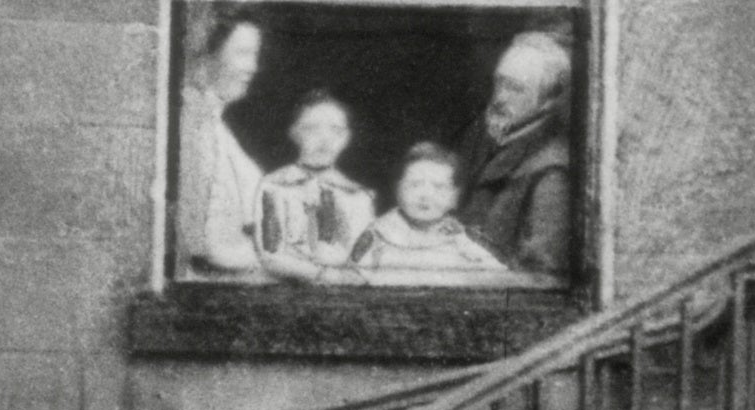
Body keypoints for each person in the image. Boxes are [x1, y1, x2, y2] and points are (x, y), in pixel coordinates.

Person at [450, 31, 573, 276]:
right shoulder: (478, 134)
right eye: (500, 82)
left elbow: (539, 277)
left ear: (547, 101)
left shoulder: (552, 172)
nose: (500, 98)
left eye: (516, 88)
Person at [174, 12, 266, 277]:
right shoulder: (194, 125)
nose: (252, 67)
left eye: (255, 55)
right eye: (243, 53)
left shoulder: (218, 128)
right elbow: (204, 244)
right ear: (208, 54)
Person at [257, 91, 377, 280]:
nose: (325, 139)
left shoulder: (357, 196)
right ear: (294, 132)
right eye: (311, 129)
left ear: (347, 138)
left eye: (336, 130)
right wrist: (321, 274)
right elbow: (270, 254)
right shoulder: (275, 187)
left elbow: (363, 261)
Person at [348, 145, 513, 278]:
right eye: (415, 184)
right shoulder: (377, 236)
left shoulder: (465, 241)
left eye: (439, 187)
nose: (425, 195)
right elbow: (351, 281)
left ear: (454, 198)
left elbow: (499, 280)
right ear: (398, 190)